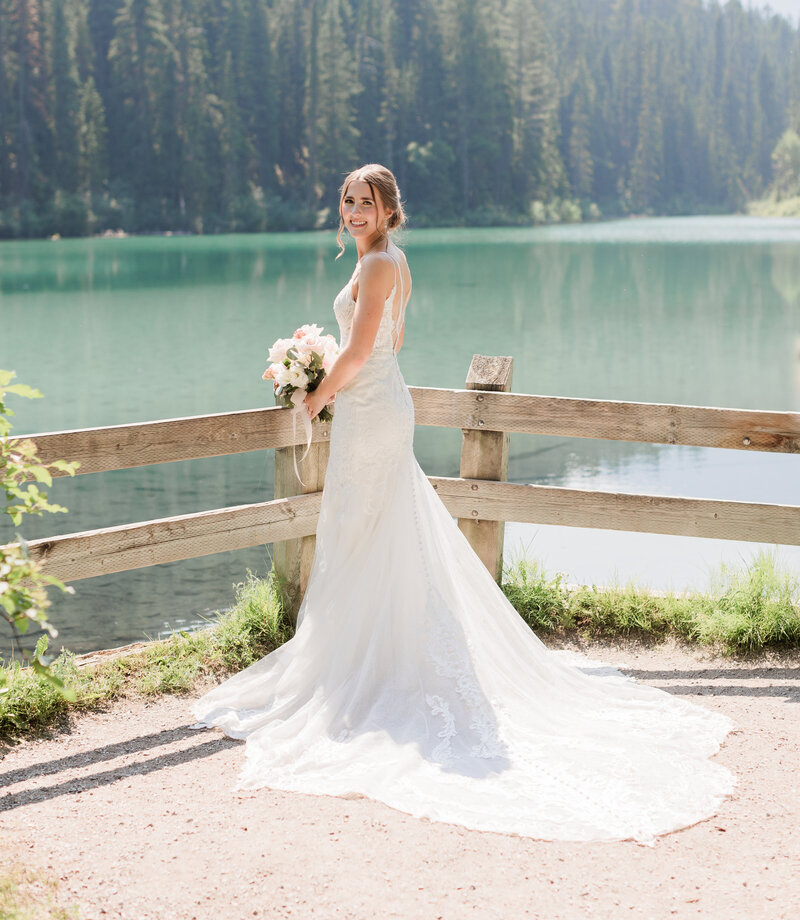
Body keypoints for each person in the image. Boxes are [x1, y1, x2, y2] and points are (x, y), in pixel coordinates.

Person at [192, 163, 735, 843]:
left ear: (391, 211)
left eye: (368, 203)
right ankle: (371, 657)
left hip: (371, 412)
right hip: (377, 406)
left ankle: (376, 668)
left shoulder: (383, 263)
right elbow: (390, 343)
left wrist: (317, 391)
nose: (355, 211)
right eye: (348, 201)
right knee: (372, 531)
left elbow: (363, 347)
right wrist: (330, 373)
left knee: (366, 529)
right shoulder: (389, 261)